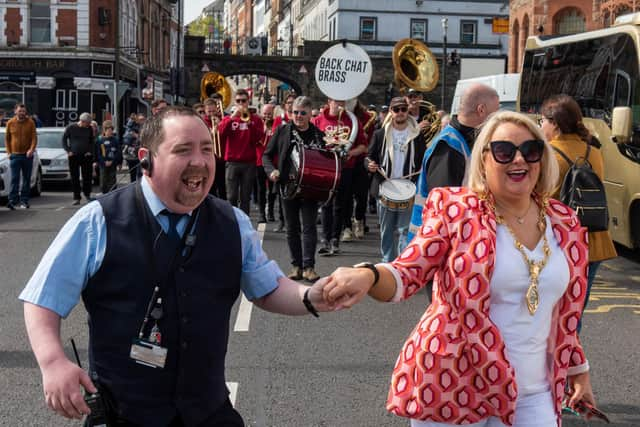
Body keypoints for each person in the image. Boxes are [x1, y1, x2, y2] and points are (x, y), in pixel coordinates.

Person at [19, 106, 336, 427]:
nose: (199, 161)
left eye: (207, 149)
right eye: (183, 150)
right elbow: (42, 297)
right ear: (147, 159)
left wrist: (313, 297)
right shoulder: (99, 220)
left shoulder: (233, 223)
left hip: (208, 412)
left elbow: (268, 288)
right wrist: (52, 362)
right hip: (124, 415)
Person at [321, 111, 596, 426]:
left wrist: (579, 370)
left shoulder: (564, 221)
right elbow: (407, 272)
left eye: (531, 150)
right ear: (483, 160)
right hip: (454, 381)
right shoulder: (456, 210)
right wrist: (368, 275)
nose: (519, 160)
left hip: (533, 393)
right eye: (504, 151)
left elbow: (561, 311)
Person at [540, 94, 617, 332]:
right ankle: (571, 359)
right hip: (593, 241)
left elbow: (542, 199)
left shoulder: (547, 154)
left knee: (547, 313)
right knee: (574, 313)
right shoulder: (593, 151)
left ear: (555, 123)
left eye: (542, 120)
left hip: (558, 243)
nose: (540, 125)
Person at [408, 83, 500, 240]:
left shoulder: (461, 140)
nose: (498, 118)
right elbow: (444, 208)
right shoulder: (448, 146)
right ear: (481, 110)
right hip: (434, 243)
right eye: (496, 111)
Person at [263, 96, 325, 282]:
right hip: (287, 186)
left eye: (302, 113)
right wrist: (272, 171)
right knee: (291, 228)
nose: (298, 116)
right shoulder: (282, 131)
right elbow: (266, 156)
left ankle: (309, 267)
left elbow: (328, 159)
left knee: (309, 227)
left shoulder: (318, 135)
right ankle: (296, 266)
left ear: (310, 114)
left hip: (310, 187)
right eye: (295, 112)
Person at [366, 97, 426, 261]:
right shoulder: (380, 135)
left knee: (405, 230)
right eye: (396, 109)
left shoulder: (416, 136)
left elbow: (423, 161)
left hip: (408, 188)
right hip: (385, 187)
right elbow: (369, 158)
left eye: (403, 109)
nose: (400, 113)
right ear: (391, 112)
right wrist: (370, 166)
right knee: (387, 230)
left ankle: (401, 264)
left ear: (408, 111)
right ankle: (387, 261)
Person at [312, 97, 368, 255]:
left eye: (342, 101)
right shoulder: (318, 120)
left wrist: (349, 152)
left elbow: (363, 146)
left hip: (345, 168)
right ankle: (325, 238)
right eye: (336, 101)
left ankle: (335, 239)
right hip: (326, 168)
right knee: (325, 204)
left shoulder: (353, 120)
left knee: (339, 205)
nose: (340, 104)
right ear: (329, 101)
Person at [218, 88, 265, 215]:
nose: (241, 103)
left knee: (245, 197)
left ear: (248, 101)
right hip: (232, 162)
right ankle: (232, 222)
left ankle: (244, 224)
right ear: (235, 102)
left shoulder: (256, 120)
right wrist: (232, 118)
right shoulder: (229, 119)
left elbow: (258, 139)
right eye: (238, 101)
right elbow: (220, 133)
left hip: (249, 163)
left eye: (243, 101)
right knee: (231, 196)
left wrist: (250, 123)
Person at [5, 103, 37, 210]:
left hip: (27, 155)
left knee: (26, 179)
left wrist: (31, 150)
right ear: (15, 111)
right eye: (20, 111)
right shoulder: (10, 122)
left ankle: (24, 201)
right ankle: (12, 201)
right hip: (14, 155)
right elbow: (7, 139)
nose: (22, 113)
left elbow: (34, 138)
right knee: (15, 179)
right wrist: (9, 152)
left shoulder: (30, 123)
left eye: (23, 111)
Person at [62, 112, 95, 205]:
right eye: (87, 123)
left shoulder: (89, 129)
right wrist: (68, 151)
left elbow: (92, 141)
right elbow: (64, 140)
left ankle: (87, 195)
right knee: (74, 177)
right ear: (82, 121)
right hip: (74, 156)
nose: (88, 125)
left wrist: (90, 151)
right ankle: (76, 197)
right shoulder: (71, 127)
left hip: (86, 156)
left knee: (87, 177)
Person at [203, 96, 227, 199]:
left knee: (223, 187)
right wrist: (212, 132)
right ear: (205, 110)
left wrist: (220, 125)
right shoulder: (202, 121)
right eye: (209, 111)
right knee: (211, 187)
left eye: (213, 111)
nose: (212, 114)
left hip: (222, 158)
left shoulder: (223, 120)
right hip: (209, 158)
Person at [255, 103, 275, 223]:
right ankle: (262, 213)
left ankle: (271, 211)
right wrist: (262, 130)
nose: (267, 116)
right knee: (261, 189)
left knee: (272, 189)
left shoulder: (275, 125)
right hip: (259, 161)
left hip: (273, 162)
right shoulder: (258, 124)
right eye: (265, 114)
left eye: (269, 114)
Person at [96, 120, 122, 194]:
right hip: (103, 163)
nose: (110, 132)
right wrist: (103, 161)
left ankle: (113, 193)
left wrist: (117, 162)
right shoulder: (100, 140)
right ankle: (103, 192)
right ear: (104, 130)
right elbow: (98, 153)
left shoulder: (115, 140)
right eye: (108, 130)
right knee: (103, 178)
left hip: (113, 163)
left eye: (111, 130)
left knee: (112, 179)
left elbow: (118, 152)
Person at [123, 113, 146, 183]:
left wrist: (138, 136)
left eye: (143, 119)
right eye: (140, 119)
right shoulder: (130, 128)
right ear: (137, 120)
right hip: (132, 154)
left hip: (141, 154)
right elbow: (126, 140)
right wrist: (134, 135)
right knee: (133, 175)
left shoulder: (145, 127)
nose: (142, 121)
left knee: (141, 174)